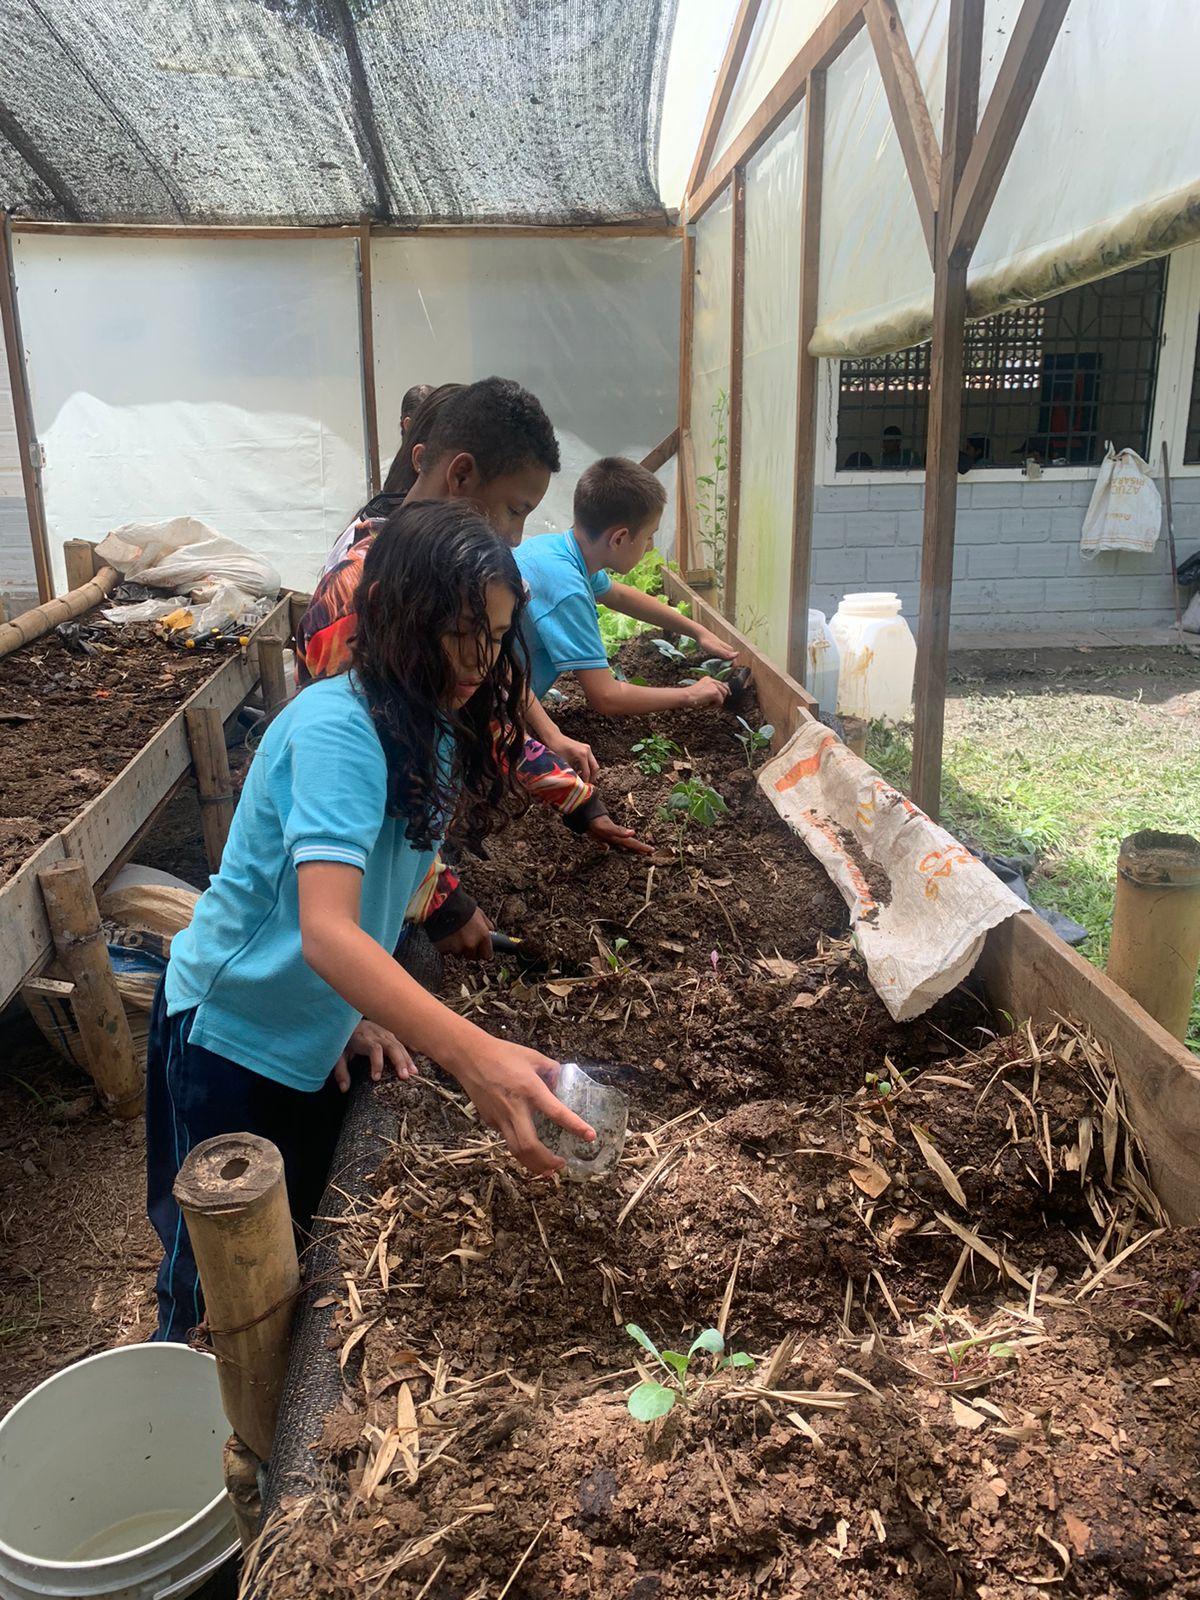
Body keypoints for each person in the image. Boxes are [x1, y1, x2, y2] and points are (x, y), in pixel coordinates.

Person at [147, 503, 595, 1342]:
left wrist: (354, 1010)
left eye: (497, 635)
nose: (481, 658)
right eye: (463, 629)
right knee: (209, 1278)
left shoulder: (429, 721)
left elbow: (374, 897)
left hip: (309, 1034)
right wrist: (471, 1053)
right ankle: (184, 1412)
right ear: (394, 607)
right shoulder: (340, 730)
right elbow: (327, 932)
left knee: (291, 1253)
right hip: (228, 1039)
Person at [298, 379, 651, 957]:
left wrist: (576, 800)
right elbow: (375, 779)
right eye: (514, 510)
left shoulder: (444, 572)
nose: (514, 536)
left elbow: (476, 712)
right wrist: (442, 902)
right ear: (460, 476)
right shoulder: (365, 596)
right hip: (347, 874)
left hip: (396, 856)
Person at [515, 456, 737, 715]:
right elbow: (606, 696)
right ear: (619, 538)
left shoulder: (555, 550)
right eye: (648, 536)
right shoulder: (568, 591)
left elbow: (618, 595)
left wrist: (697, 631)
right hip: (486, 720)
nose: (650, 546)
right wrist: (690, 694)